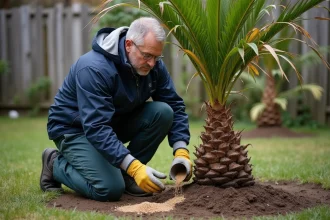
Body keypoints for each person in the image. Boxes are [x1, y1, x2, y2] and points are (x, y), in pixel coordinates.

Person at [40, 17, 192, 201]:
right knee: (109, 188)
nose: (153, 63)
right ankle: (54, 163)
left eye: (157, 57)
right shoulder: (94, 68)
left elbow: (174, 105)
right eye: (147, 56)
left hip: (111, 122)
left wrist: (181, 150)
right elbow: (96, 127)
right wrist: (134, 166)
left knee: (163, 112)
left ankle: (128, 177)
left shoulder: (153, 66)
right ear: (129, 45)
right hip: (75, 129)